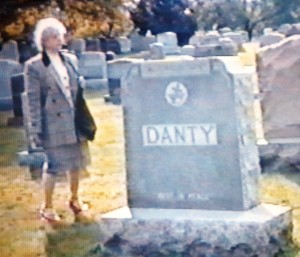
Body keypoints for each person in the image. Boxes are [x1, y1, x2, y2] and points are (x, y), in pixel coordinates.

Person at [24, 18, 90, 222]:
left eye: (60, 36)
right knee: (53, 165)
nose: (59, 40)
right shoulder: (34, 66)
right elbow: (33, 100)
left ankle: (75, 199)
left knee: (77, 163)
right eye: (53, 37)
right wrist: (35, 128)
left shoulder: (70, 59)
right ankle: (48, 206)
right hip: (52, 122)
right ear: (44, 41)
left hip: (74, 119)